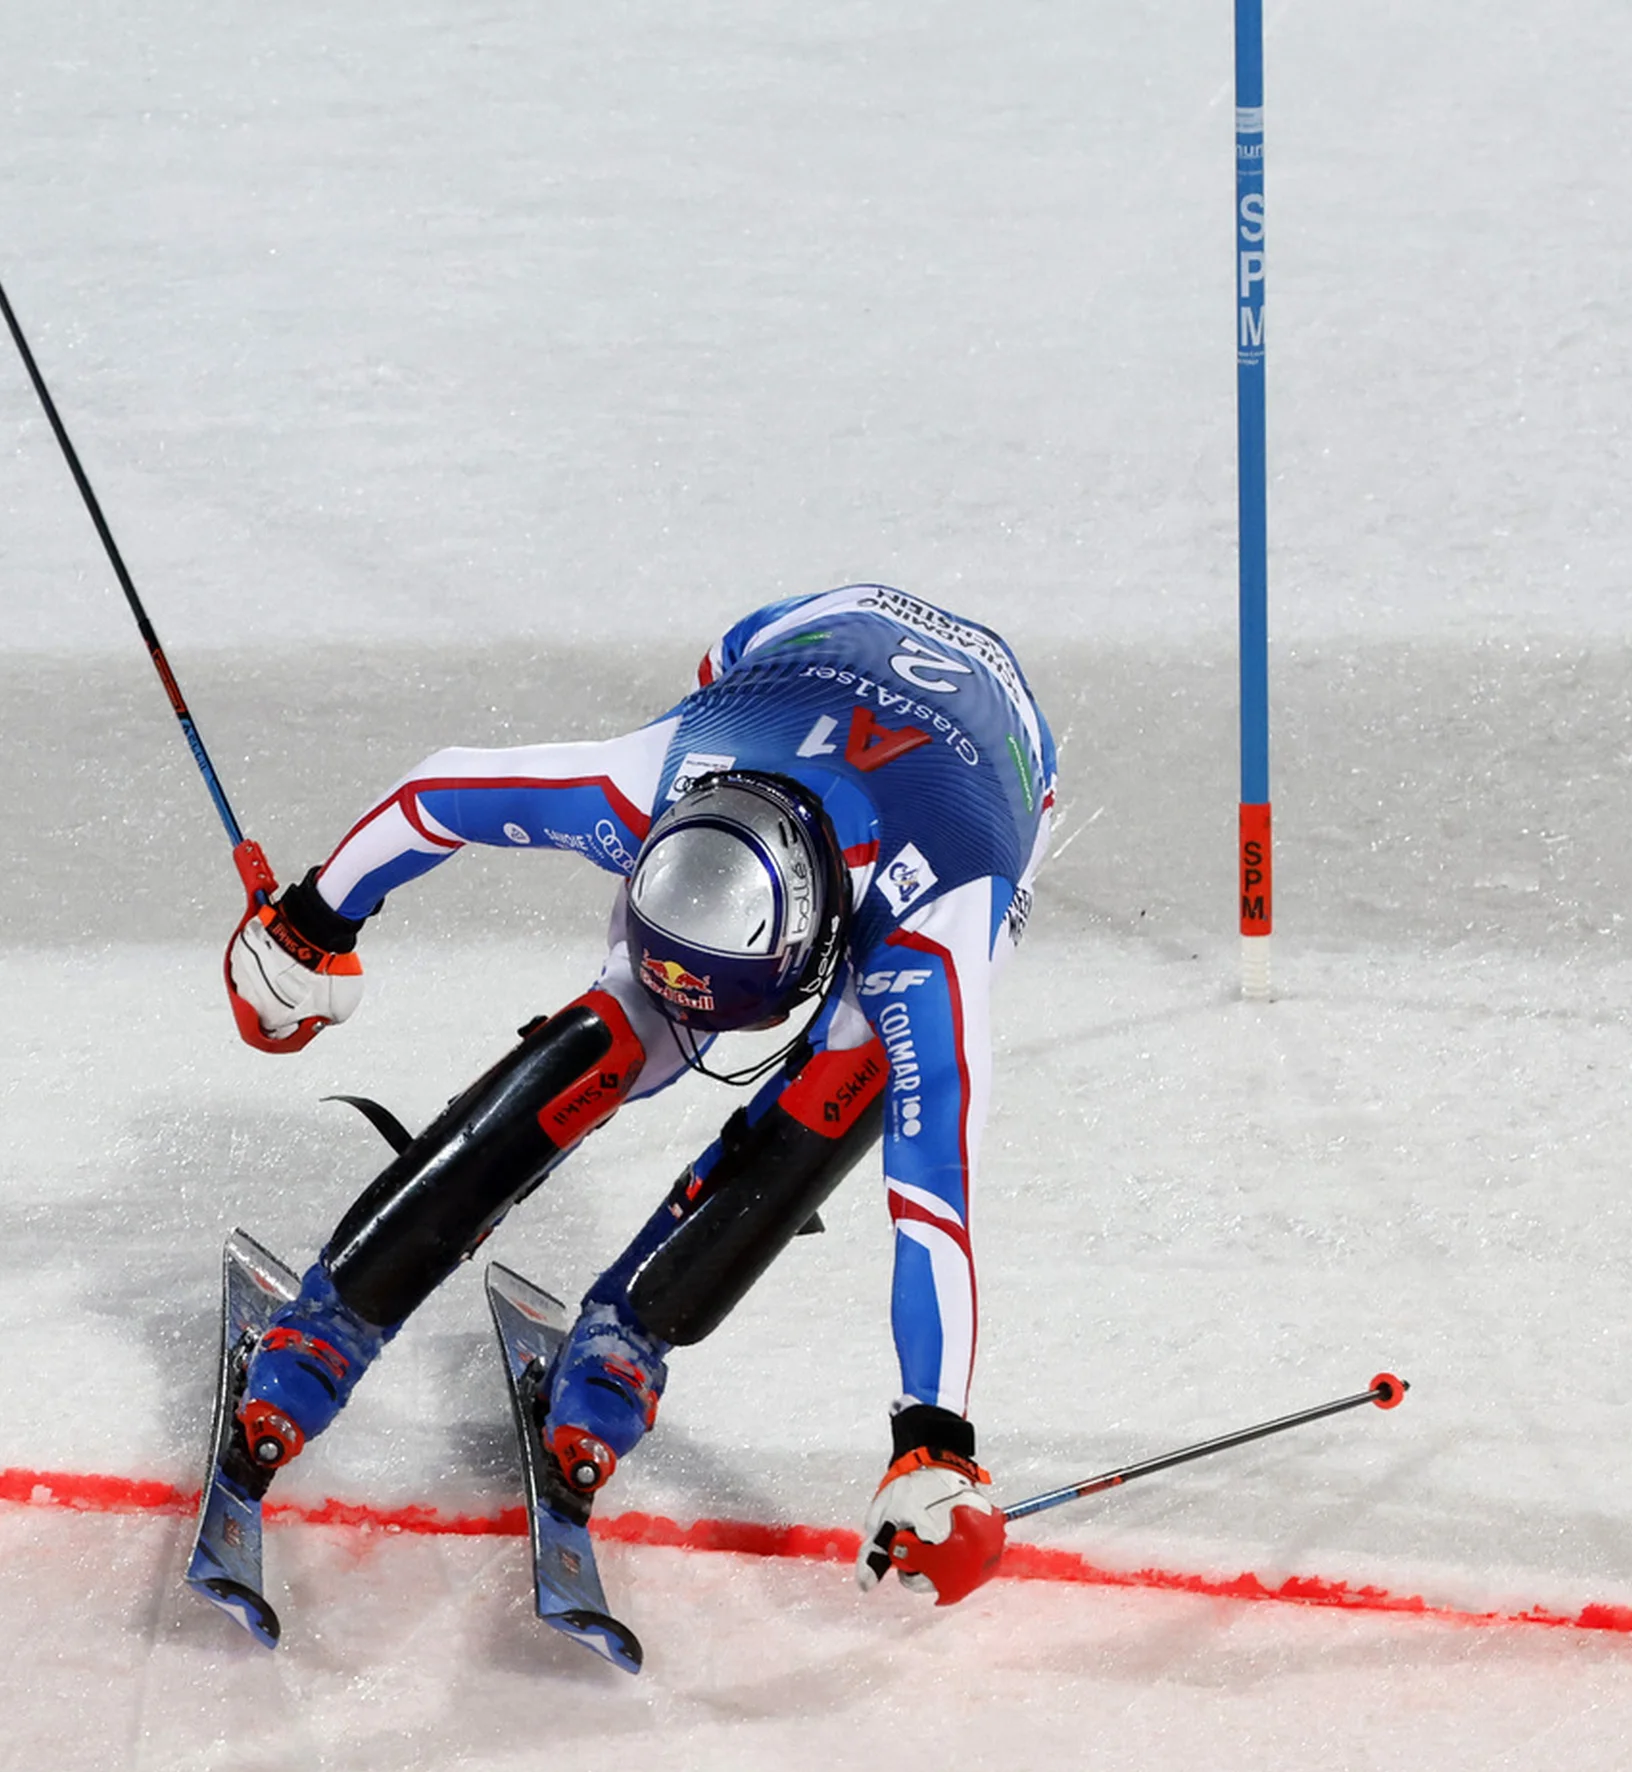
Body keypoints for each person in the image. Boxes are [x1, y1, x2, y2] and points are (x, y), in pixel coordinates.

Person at [219, 584, 1055, 1606]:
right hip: (789, 644)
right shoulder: (639, 786)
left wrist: (937, 1443)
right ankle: (342, 1313)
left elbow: (933, 1193)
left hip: (997, 768)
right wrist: (309, 924)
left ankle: (635, 1327)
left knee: (860, 1067)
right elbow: (443, 793)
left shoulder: (933, 941)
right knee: (630, 1024)